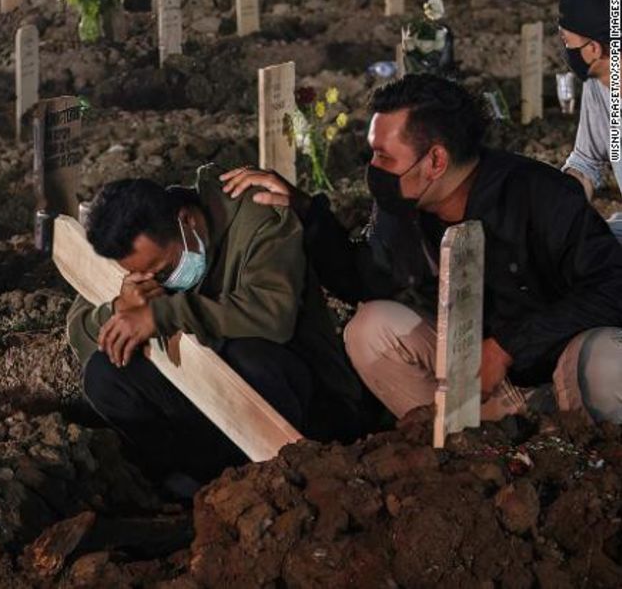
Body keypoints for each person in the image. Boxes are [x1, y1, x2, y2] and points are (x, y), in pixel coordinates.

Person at [221, 74, 622, 424]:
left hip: (559, 368)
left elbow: (612, 286)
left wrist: (508, 347)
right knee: (370, 329)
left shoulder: (541, 196)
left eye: (383, 156)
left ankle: (572, 451)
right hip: (482, 379)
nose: (373, 169)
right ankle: (472, 447)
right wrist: (306, 212)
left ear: (435, 161)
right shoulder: (402, 208)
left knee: (608, 363)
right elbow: (364, 278)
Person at [66, 169, 371, 483]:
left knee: (244, 352)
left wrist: (162, 314)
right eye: (143, 276)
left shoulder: (256, 212)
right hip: (210, 403)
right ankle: (195, 480)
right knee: (105, 374)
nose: (157, 282)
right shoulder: (129, 246)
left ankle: (275, 477)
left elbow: (273, 316)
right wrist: (119, 308)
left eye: (163, 270)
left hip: (304, 398)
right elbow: (80, 333)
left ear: (186, 221)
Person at [557, 0, 622, 240]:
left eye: (566, 41)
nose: (564, 50)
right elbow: (586, 161)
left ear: (594, 48)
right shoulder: (598, 86)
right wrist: (557, 210)